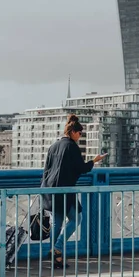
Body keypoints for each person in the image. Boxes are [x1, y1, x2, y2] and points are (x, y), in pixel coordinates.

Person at [41, 114, 106, 268]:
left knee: (57, 223)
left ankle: (56, 258)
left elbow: (46, 170)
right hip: (64, 190)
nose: (80, 136)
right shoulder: (72, 147)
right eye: (80, 133)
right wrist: (94, 161)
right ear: (73, 132)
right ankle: (57, 247)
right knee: (77, 218)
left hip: (50, 190)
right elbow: (81, 168)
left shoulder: (53, 146)